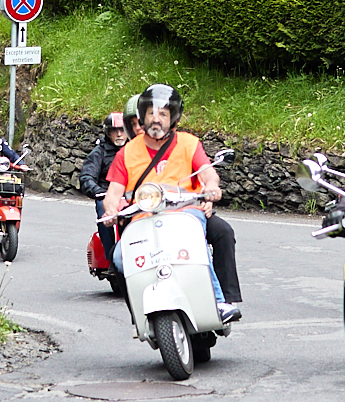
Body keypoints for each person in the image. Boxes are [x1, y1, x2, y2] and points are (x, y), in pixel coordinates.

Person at [102, 84, 242, 321]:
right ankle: (139, 315)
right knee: (118, 258)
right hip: (144, 219)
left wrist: (211, 187)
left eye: (163, 114)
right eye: (151, 113)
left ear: (173, 118)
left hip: (185, 213)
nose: (156, 119)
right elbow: (113, 193)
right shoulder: (126, 153)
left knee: (206, 239)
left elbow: (208, 173)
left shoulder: (189, 143)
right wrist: (110, 211)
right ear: (142, 116)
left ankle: (219, 301)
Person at [79, 112, 130, 267]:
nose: (119, 134)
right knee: (103, 209)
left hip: (132, 196)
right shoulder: (99, 153)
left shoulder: (135, 150)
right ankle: (111, 258)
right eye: (115, 131)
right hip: (108, 196)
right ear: (108, 132)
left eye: (122, 130)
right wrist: (99, 192)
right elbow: (87, 177)